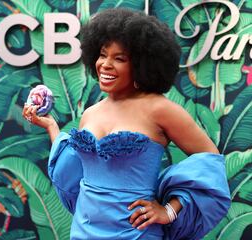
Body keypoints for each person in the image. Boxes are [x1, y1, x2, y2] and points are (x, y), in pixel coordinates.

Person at [22, 8, 231, 240]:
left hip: (135, 233)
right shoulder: (90, 114)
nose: (105, 65)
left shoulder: (160, 109)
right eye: (102, 55)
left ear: (143, 64)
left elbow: (209, 160)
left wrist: (169, 210)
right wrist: (51, 126)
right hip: (84, 231)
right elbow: (72, 169)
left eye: (119, 58)